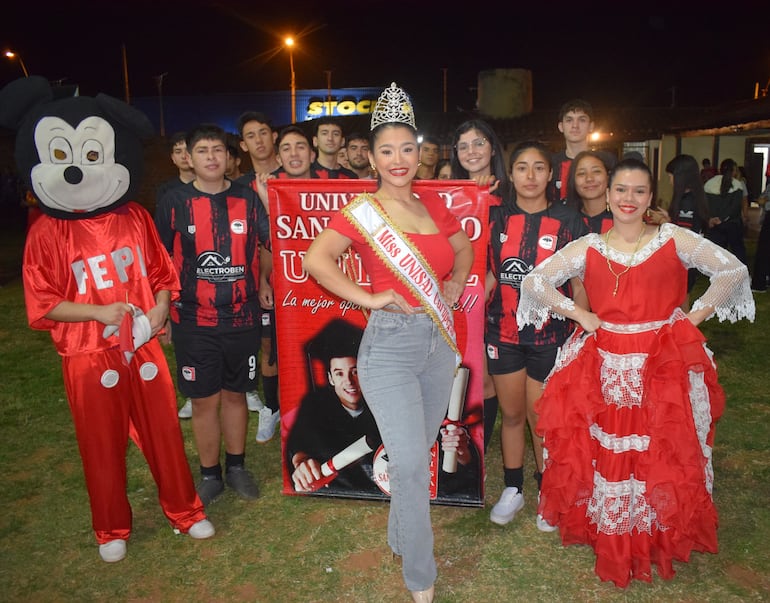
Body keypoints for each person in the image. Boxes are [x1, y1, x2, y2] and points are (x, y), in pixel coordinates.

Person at [516, 157, 755, 587]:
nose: (629, 199)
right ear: (607, 195)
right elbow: (535, 283)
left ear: (650, 198)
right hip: (604, 362)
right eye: (621, 190)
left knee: (656, 446)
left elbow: (732, 270)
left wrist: (692, 318)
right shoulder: (588, 246)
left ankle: (652, 529)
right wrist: (579, 315)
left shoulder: (673, 239)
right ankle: (610, 527)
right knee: (607, 445)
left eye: (639, 191)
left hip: (659, 363)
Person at [302, 82, 473, 603]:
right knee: (407, 462)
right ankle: (422, 575)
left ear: (419, 154)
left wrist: (453, 282)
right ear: (371, 157)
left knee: (417, 450)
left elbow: (463, 251)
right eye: (386, 150)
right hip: (390, 350)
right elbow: (315, 260)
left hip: (440, 345)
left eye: (407, 149)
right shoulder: (363, 212)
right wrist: (368, 300)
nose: (398, 159)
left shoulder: (433, 207)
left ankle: (400, 536)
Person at [155, 123, 270, 506]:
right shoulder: (174, 201)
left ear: (228, 156)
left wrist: (267, 278)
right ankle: (210, 475)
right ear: (189, 155)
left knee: (237, 395)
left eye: (217, 150)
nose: (211, 157)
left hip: (242, 318)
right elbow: (161, 262)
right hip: (194, 321)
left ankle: (236, 467)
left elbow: (272, 241)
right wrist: (163, 311)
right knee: (204, 400)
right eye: (202, 150)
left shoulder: (248, 199)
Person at [485, 141, 587, 531]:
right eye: (522, 167)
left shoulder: (569, 220)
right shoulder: (495, 216)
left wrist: (582, 323)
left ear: (551, 174)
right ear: (510, 175)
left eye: (538, 168)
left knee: (540, 418)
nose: (530, 176)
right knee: (511, 416)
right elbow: (492, 273)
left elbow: (579, 282)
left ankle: (548, 491)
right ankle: (513, 488)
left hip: (550, 335)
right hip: (503, 332)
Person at [449, 118, 512, 452]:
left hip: (493, 299)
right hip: (453, 296)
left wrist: (489, 282)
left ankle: (477, 451)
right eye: (463, 146)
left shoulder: (509, 192)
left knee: (484, 379)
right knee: (454, 374)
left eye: (478, 143)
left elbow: (515, 246)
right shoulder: (447, 195)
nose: (471, 152)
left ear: (492, 147)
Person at [286, 320, 381, 494]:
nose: (349, 382)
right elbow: (299, 442)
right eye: (339, 373)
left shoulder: (383, 400)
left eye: (355, 371)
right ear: (330, 379)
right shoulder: (317, 404)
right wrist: (301, 461)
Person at [235, 110, 282, 439]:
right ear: (243, 144)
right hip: (257, 279)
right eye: (251, 136)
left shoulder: (296, 175)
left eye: (263, 132)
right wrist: (263, 278)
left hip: (301, 277)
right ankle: (272, 406)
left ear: (273, 136)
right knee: (268, 347)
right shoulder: (238, 188)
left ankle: (300, 404)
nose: (259, 140)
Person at [548, 98, 616, 203]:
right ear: (561, 127)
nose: (575, 126)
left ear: (591, 126)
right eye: (569, 120)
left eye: (582, 120)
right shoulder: (550, 163)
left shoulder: (607, 161)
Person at [664, 154, 711, 300]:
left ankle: (687, 323)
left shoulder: (687, 202)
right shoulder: (694, 197)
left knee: (679, 299)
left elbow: (684, 237)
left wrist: (665, 224)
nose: (670, 180)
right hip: (689, 261)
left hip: (684, 262)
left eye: (671, 176)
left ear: (680, 177)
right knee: (682, 298)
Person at [704, 158, 748, 264]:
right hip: (732, 224)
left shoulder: (709, 184)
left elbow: (705, 204)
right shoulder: (737, 185)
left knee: (717, 254)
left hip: (714, 225)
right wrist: (723, 218)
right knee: (738, 251)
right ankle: (741, 274)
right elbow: (735, 207)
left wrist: (711, 218)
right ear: (733, 171)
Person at [564, 150, 613, 234]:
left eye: (596, 171)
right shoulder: (565, 220)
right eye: (581, 173)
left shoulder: (623, 218)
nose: (589, 178)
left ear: (608, 176)